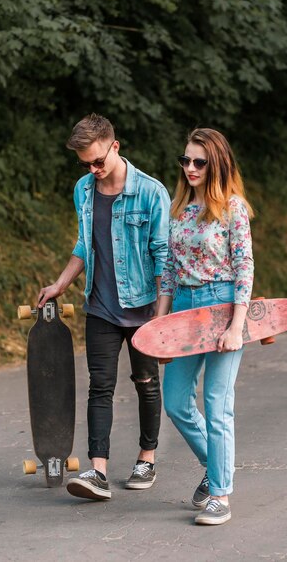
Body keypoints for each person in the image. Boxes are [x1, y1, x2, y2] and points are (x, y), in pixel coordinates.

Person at [38, 113, 170, 500]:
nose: (93, 170)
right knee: (101, 386)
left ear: (115, 146)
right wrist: (60, 283)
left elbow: (163, 258)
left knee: (146, 384)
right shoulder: (84, 189)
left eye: (98, 161)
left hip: (144, 308)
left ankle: (146, 457)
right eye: (85, 164)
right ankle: (98, 472)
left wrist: (160, 321)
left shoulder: (150, 192)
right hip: (100, 304)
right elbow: (84, 243)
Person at [157, 127, 254, 525]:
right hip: (183, 305)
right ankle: (216, 466)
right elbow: (167, 268)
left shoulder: (232, 207)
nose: (190, 168)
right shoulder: (178, 208)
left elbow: (244, 266)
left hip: (221, 303)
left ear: (215, 164)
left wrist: (237, 326)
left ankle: (220, 495)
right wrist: (160, 321)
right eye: (186, 160)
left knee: (217, 403)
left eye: (199, 161)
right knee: (176, 400)